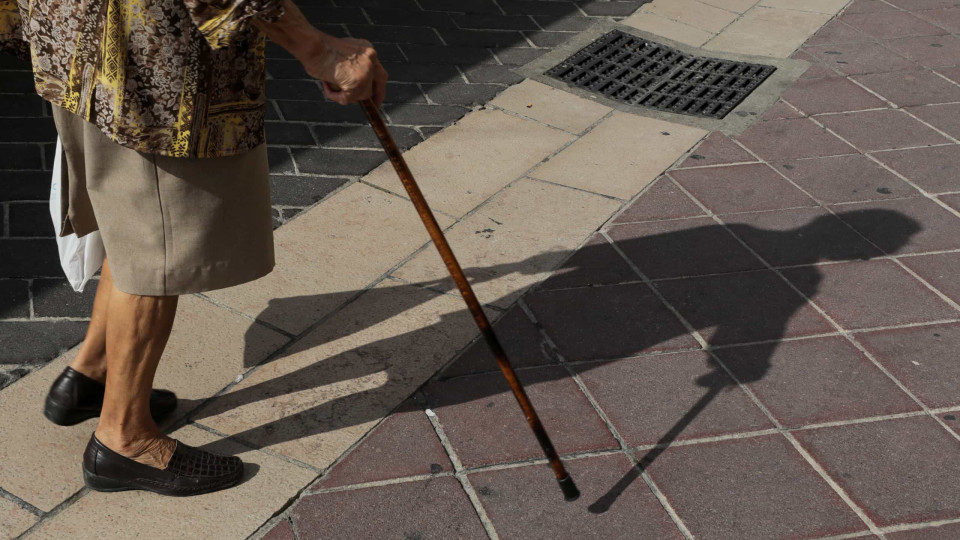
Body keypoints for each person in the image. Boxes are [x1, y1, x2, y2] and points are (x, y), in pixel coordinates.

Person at [1, 0, 387, 496]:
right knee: (158, 244)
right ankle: (123, 439)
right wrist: (318, 47)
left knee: (136, 222)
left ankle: (91, 378)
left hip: (78, 29)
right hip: (150, 59)